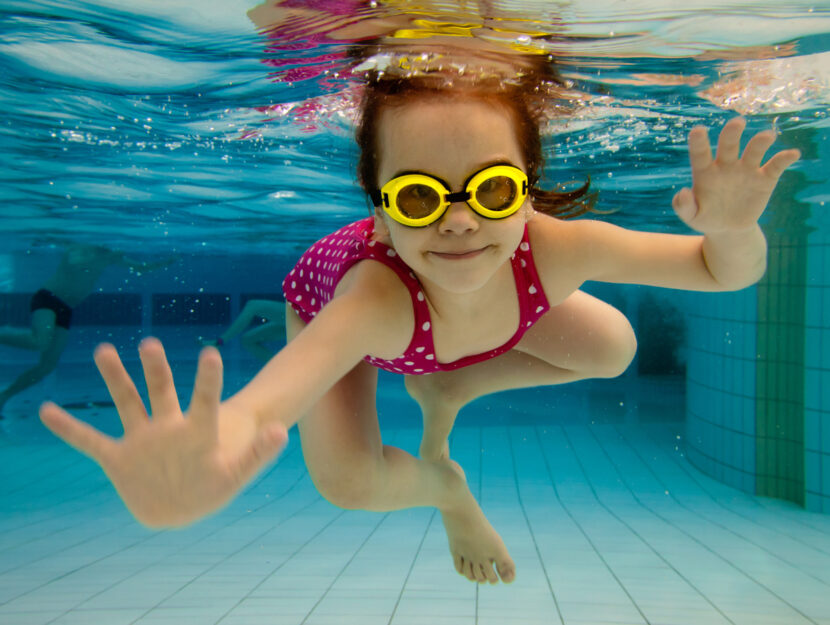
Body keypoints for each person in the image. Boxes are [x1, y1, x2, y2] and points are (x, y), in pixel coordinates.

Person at [38, 61, 800, 587]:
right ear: (378, 209)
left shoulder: (555, 248)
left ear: (528, 193)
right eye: (418, 197)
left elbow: (718, 269)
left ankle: (450, 389)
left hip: (457, 337)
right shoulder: (373, 300)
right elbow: (265, 405)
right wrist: (201, 471)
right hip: (350, 310)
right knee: (347, 480)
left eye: (493, 191)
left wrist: (732, 230)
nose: (462, 221)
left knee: (614, 344)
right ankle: (445, 486)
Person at [0, 244, 174, 416]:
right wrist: (105, 257)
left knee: (47, 366)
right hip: (48, 299)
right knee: (39, 342)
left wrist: (170, 260)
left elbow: (142, 268)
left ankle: (4, 396)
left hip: (65, 309)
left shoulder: (106, 254)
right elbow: (74, 262)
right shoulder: (82, 247)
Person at [200, 299, 286, 362]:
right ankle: (284, 370)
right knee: (248, 340)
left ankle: (219, 342)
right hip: (297, 316)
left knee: (253, 305)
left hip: (298, 313)